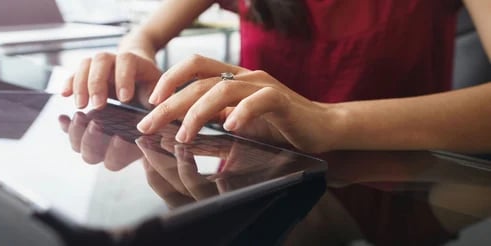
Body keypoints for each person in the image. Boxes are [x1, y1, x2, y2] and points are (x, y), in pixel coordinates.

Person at [63, 0, 491, 154]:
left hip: (397, 186)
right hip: (259, 173)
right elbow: (147, 33)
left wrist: (326, 120)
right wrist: (134, 54)